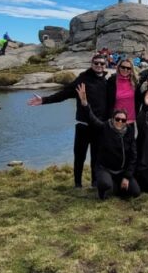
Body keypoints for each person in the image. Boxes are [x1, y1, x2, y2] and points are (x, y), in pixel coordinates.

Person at [28, 53, 109, 188]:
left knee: (97, 156)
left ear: (105, 65)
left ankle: (95, 182)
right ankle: (77, 184)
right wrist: (44, 100)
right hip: (83, 125)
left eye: (102, 63)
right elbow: (64, 94)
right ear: (91, 64)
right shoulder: (82, 80)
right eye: (96, 63)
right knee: (80, 156)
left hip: (99, 126)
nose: (99, 66)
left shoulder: (106, 82)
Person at [76, 84, 140, 200]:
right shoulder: (105, 127)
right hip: (105, 168)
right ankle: (103, 189)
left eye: (123, 120)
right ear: (112, 118)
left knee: (135, 192)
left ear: (126, 121)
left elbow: (133, 156)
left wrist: (127, 176)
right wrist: (85, 103)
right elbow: (92, 119)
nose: (120, 121)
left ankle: (116, 185)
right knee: (105, 184)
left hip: (121, 171)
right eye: (117, 119)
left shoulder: (129, 132)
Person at [107, 58, 139, 124]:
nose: (125, 70)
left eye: (128, 68)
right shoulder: (112, 81)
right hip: (116, 120)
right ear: (119, 67)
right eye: (123, 67)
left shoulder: (134, 81)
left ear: (131, 70)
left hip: (130, 120)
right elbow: (107, 100)